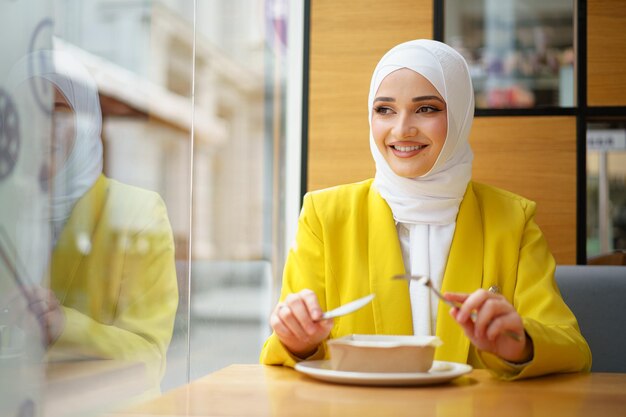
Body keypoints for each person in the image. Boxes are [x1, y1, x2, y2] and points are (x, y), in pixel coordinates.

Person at [259, 39, 591, 379]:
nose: (402, 129)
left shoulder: (511, 219)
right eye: (384, 109)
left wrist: (520, 345)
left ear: (461, 113)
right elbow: (284, 347)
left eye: (427, 109)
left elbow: (571, 347)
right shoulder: (326, 216)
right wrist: (298, 342)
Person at [7, 50, 179, 391]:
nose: (41, 127)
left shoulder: (137, 212)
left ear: (88, 124)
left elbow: (150, 358)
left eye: (57, 112)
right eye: (26, 111)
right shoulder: (7, 212)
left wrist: (62, 327)